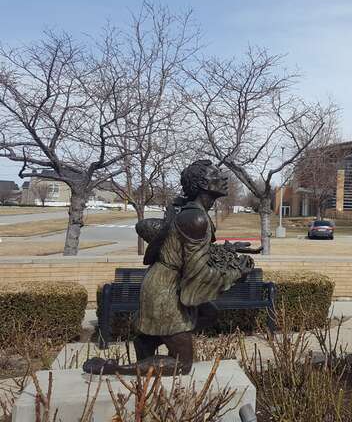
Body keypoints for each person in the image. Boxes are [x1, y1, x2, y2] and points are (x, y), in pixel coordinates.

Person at [83, 160, 254, 375]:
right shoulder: (196, 218)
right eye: (216, 174)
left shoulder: (194, 213)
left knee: (209, 313)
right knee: (182, 364)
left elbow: (190, 252)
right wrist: (236, 273)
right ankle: (113, 368)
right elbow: (197, 272)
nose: (224, 178)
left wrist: (229, 249)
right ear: (203, 184)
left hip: (167, 283)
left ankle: (148, 343)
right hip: (166, 291)